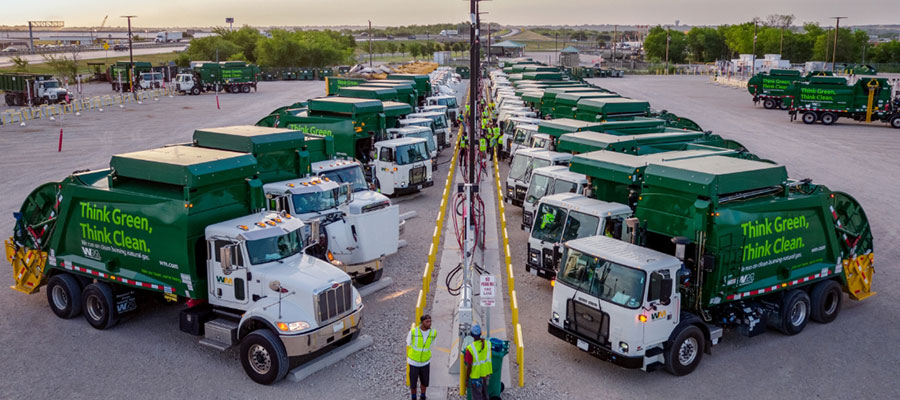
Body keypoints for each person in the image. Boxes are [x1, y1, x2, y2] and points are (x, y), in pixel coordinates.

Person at [407, 314, 436, 400]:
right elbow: (408, 343)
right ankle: (414, 397)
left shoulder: (433, 333)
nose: (429, 323)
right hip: (413, 362)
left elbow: (432, 344)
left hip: (425, 362)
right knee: (413, 384)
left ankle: (423, 396)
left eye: (430, 321)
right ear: (422, 322)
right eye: (427, 322)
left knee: (424, 382)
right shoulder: (413, 332)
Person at [464, 324, 492, 400]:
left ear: (472, 335)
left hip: (476, 377)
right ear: (480, 334)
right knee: (485, 394)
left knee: (477, 396)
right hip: (486, 375)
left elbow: (469, 366)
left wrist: (466, 379)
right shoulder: (488, 344)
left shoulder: (470, 349)